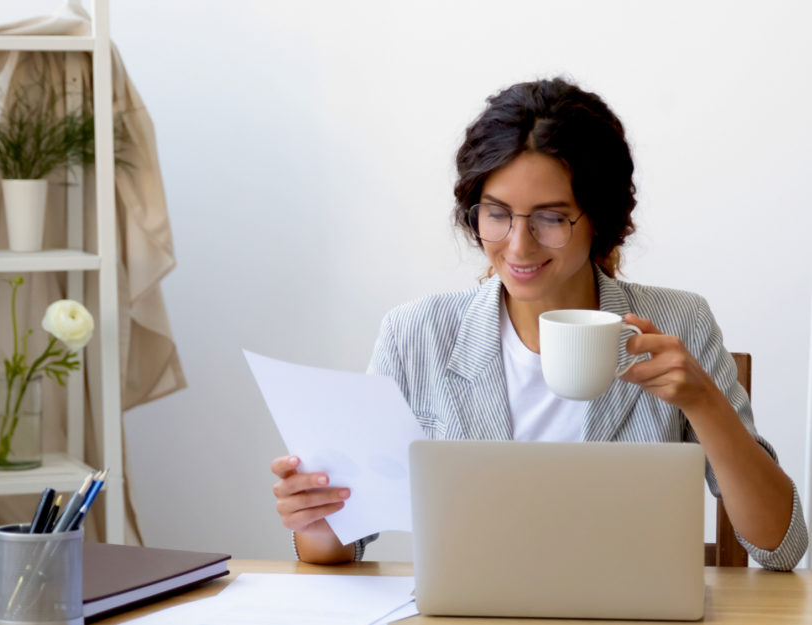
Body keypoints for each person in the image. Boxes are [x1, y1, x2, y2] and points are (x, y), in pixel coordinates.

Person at [270, 77, 808, 569]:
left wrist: (704, 402)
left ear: (598, 218)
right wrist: (317, 519)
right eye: (497, 213)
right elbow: (343, 544)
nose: (519, 245)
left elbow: (780, 546)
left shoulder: (678, 321)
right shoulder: (417, 336)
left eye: (551, 218)